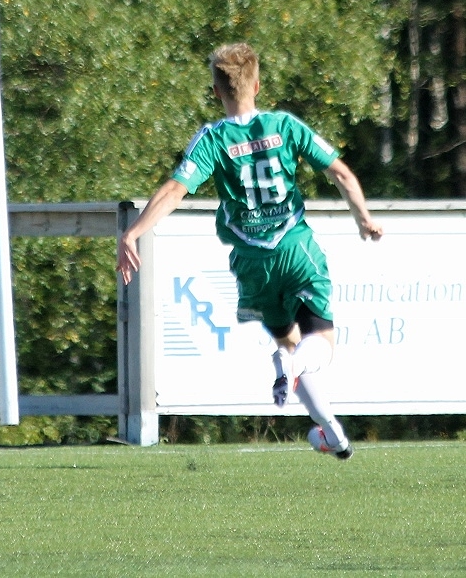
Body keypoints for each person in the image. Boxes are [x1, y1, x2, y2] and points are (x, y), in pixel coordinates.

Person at [116, 43, 383, 459]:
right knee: (321, 342)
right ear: (256, 85)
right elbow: (341, 173)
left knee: (290, 344)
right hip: (295, 248)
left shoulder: (213, 139)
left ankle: (332, 433)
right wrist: (363, 218)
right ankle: (296, 371)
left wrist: (132, 233)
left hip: (252, 262)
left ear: (216, 92)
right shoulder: (284, 125)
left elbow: (174, 190)